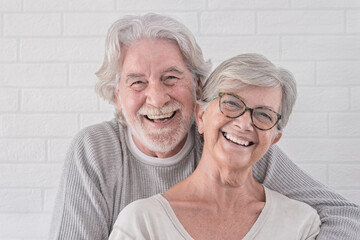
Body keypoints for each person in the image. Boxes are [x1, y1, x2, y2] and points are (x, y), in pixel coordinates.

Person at [49, 13, 360, 240]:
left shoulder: (230, 142)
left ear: (198, 87)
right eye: (137, 82)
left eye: (171, 78)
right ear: (117, 96)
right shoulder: (95, 151)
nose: (157, 99)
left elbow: (345, 215)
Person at [108, 53, 321, 240]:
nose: (244, 123)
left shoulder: (300, 224)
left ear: (274, 139)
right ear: (201, 116)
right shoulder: (142, 222)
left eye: (264, 115)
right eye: (231, 103)